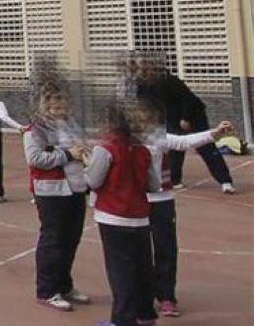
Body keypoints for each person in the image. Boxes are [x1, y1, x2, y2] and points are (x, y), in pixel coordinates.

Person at [135, 98, 234, 318]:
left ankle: (166, 296)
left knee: (166, 248)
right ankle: (139, 296)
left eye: (148, 117)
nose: (143, 121)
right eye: (138, 117)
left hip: (161, 200)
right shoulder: (125, 140)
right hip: (134, 202)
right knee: (136, 252)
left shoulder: (159, 138)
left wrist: (214, 133)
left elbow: (185, 142)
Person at [83, 105, 161, 326]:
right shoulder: (142, 150)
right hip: (140, 217)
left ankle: (123, 320)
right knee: (143, 267)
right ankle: (145, 314)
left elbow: (93, 181)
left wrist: (88, 164)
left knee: (121, 271)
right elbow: (154, 185)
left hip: (113, 216)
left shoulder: (105, 149)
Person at [23, 86, 91, 312]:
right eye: (54, 104)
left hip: (76, 188)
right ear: (45, 106)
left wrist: (86, 155)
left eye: (62, 104)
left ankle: (64, 285)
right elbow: (35, 158)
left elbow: (80, 149)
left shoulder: (72, 126)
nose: (59, 109)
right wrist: (67, 155)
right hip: (51, 192)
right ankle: (46, 290)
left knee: (72, 239)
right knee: (53, 241)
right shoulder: (36, 130)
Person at [136, 56, 235, 193]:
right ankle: (175, 180)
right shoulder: (141, 86)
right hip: (171, 119)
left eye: (147, 67)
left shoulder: (169, 81)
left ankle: (225, 181)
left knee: (206, 148)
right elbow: (146, 106)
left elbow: (188, 99)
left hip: (193, 115)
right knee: (174, 149)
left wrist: (186, 118)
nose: (144, 71)